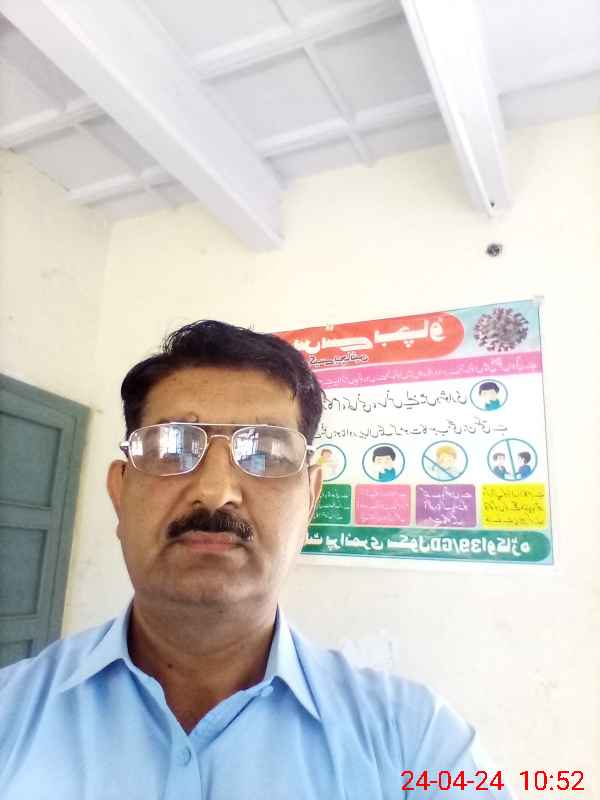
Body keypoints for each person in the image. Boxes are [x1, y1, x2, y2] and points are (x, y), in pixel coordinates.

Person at [0, 320, 513, 799]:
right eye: (173, 447)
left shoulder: (418, 743)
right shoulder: (10, 714)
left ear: (311, 498)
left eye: (266, 452)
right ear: (120, 490)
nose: (215, 491)